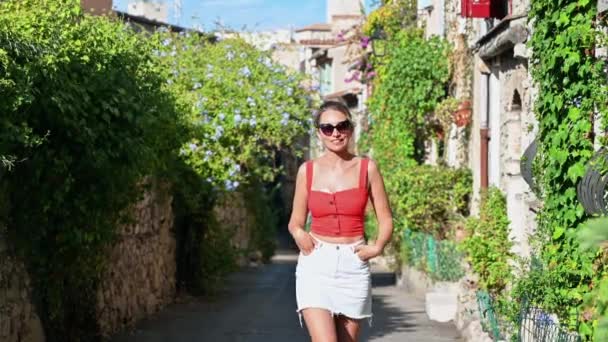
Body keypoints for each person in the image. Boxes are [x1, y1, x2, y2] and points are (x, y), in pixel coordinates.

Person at [288, 101, 394, 342]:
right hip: (316, 263)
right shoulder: (307, 170)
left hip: (352, 264)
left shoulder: (368, 169)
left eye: (342, 126)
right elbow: (295, 221)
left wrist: (377, 247)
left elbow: (386, 218)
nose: (335, 133)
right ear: (319, 133)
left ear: (350, 128)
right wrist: (298, 233)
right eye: (327, 128)